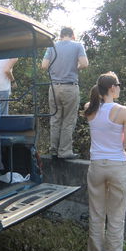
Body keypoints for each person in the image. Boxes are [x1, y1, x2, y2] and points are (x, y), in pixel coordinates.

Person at [84, 71, 126, 251]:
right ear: (112, 88)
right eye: (118, 85)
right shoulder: (124, 111)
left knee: (96, 213)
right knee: (116, 215)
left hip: (96, 165)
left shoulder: (90, 108)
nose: (119, 88)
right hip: (117, 166)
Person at [41, 27, 88, 159]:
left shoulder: (52, 46)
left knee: (55, 119)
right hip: (69, 87)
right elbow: (84, 64)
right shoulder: (78, 45)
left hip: (54, 87)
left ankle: (53, 150)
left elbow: (44, 65)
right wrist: (74, 67)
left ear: (60, 36)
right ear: (72, 35)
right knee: (68, 120)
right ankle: (64, 151)